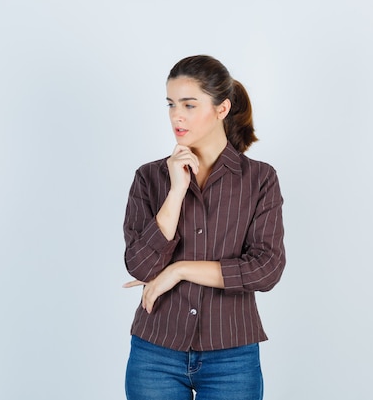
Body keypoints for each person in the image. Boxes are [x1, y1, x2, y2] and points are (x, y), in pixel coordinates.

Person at [122, 55, 286, 400]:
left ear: (222, 109)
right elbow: (141, 266)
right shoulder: (150, 178)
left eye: (189, 104)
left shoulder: (259, 180)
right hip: (156, 352)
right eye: (170, 104)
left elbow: (266, 269)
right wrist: (176, 191)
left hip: (232, 355)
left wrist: (178, 270)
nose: (176, 115)